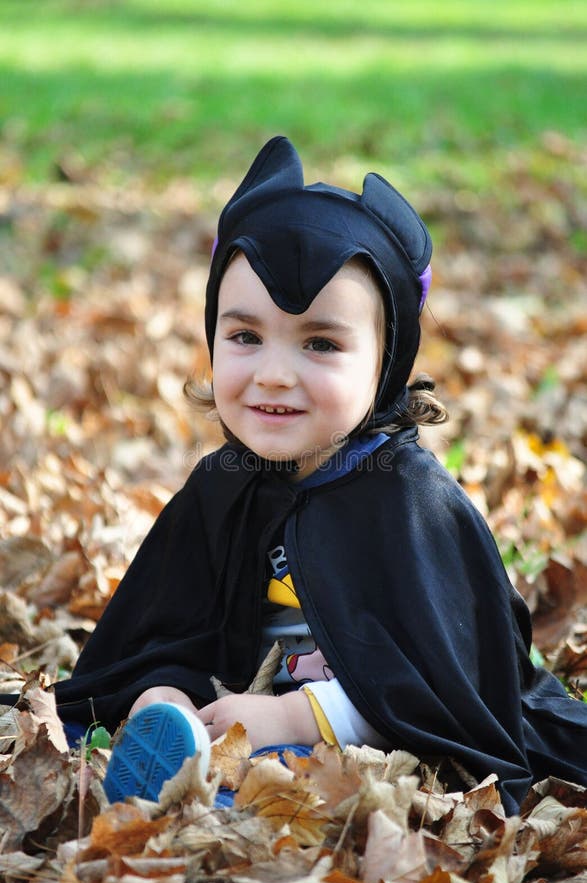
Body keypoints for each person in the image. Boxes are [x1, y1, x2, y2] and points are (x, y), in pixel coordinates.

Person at [53, 136, 587, 813]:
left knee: (290, 786)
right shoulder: (224, 485)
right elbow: (169, 631)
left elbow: (445, 687)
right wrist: (163, 688)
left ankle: (218, 795)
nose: (274, 372)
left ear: (386, 362)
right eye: (245, 336)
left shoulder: (408, 502)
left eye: (320, 343)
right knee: (120, 728)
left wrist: (302, 718)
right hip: (242, 718)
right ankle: (172, 767)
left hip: (357, 737)